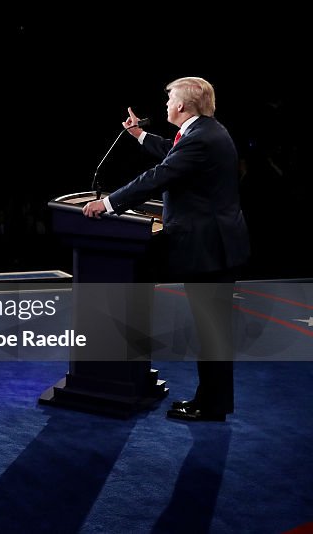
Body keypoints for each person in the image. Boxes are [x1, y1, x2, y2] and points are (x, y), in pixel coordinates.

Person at [83, 77, 249, 422]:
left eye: (170, 98)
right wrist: (139, 136)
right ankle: (211, 401)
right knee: (212, 331)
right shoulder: (205, 131)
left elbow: (160, 175)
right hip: (216, 245)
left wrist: (110, 203)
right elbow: (175, 154)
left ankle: (211, 405)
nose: (166, 104)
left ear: (182, 106)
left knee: (211, 332)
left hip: (210, 250)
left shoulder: (201, 137)